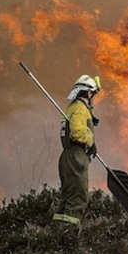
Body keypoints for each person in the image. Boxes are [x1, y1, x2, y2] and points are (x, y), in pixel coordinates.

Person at [53, 74, 101, 225]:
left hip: (66, 157)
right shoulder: (80, 109)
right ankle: (69, 233)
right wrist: (91, 142)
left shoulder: (72, 107)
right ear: (88, 92)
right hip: (76, 157)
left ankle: (58, 231)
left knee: (67, 196)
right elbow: (77, 133)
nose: (93, 97)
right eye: (93, 93)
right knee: (79, 197)